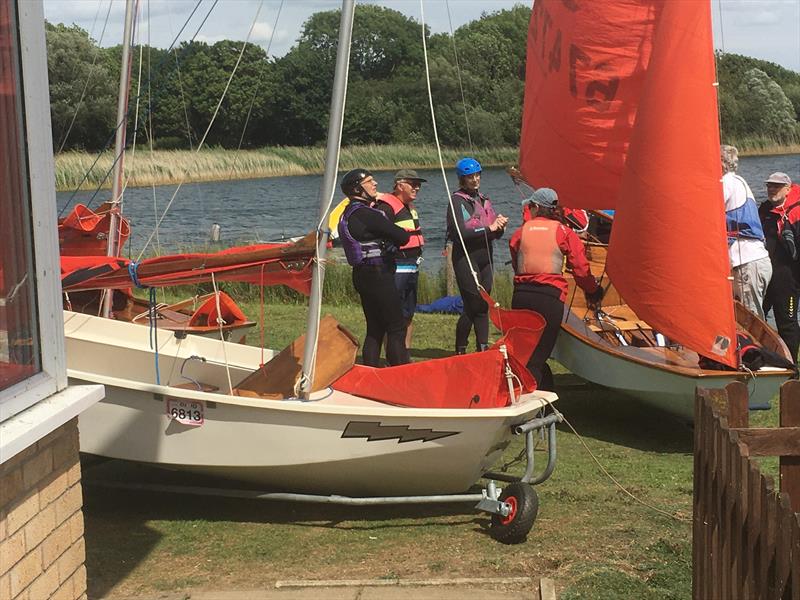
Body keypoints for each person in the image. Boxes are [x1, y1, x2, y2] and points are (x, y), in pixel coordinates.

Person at [509, 188, 602, 391]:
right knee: (539, 356)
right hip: (549, 298)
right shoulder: (564, 232)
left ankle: (522, 395)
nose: (529, 209)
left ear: (537, 208)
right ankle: (533, 405)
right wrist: (593, 292)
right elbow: (580, 268)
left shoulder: (520, 232)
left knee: (525, 352)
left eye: (531, 206)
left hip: (521, 296)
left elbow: (516, 256)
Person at [338, 168, 411, 367]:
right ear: (357, 189)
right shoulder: (367, 214)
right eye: (370, 181)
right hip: (378, 275)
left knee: (375, 328)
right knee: (396, 327)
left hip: (362, 275)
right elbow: (403, 237)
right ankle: (399, 374)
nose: (375, 184)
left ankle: (371, 371)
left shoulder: (347, 214)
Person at [445, 157, 508, 354]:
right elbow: (460, 234)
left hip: (484, 256)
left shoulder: (483, 199)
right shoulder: (456, 201)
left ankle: (482, 348)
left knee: (483, 305)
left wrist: (499, 226)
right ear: (462, 179)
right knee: (474, 305)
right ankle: (460, 349)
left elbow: (494, 234)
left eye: (477, 175)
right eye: (470, 177)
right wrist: (489, 228)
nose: (475, 179)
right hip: (466, 257)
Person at [375, 169, 426, 347]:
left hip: (413, 266)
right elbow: (378, 233)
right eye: (413, 184)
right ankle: (391, 355)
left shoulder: (410, 207)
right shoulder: (386, 206)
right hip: (396, 267)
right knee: (392, 314)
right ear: (399, 185)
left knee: (408, 313)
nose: (417, 188)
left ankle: (405, 353)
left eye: (418, 185)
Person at [720, 145, 772, 319]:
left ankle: (757, 348)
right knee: (750, 317)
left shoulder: (726, 183)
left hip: (748, 264)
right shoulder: (738, 181)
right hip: (755, 262)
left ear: (721, 163)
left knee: (750, 320)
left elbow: (707, 212)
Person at [760, 171, 800, 364]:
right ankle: (761, 358)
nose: (771, 189)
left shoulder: (796, 210)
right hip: (765, 274)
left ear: (787, 188)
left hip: (789, 279)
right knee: (755, 316)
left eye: (776, 186)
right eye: (769, 185)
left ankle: (791, 367)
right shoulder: (765, 210)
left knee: (787, 322)